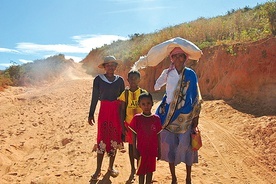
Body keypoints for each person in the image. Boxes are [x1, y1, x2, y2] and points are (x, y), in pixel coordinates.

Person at [154, 47, 202, 184]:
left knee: (186, 145)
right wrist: (164, 77)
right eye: (175, 56)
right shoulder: (168, 73)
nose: (178, 59)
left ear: (185, 58)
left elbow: (196, 95)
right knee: (169, 145)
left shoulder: (191, 74)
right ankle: (174, 178)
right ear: (171, 58)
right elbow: (156, 86)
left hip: (186, 116)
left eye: (181, 56)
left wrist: (196, 116)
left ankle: (188, 177)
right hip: (168, 115)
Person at [88, 56, 125, 182]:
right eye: (108, 65)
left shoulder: (120, 80)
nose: (110, 67)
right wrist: (91, 113)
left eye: (113, 65)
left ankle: (110, 167)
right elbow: (94, 97)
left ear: (115, 66)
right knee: (102, 139)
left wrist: (123, 118)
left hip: (116, 112)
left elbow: (122, 100)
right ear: (104, 67)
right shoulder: (98, 79)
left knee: (114, 138)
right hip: (104, 111)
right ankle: (98, 169)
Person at [118, 70, 147, 183]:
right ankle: (132, 168)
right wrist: (122, 125)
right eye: (131, 78)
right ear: (128, 80)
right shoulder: (125, 94)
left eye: (136, 78)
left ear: (139, 80)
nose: (133, 80)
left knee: (141, 147)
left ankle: (139, 166)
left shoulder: (143, 93)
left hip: (142, 125)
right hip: (129, 124)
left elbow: (146, 109)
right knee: (131, 147)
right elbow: (121, 110)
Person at [129, 92, 162, 184]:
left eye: (148, 103)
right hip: (141, 151)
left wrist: (159, 150)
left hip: (152, 151)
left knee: (150, 171)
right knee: (141, 171)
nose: (146, 106)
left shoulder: (156, 119)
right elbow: (134, 136)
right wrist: (134, 150)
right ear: (139, 105)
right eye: (143, 104)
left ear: (152, 103)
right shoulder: (137, 119)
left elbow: (158, 136)